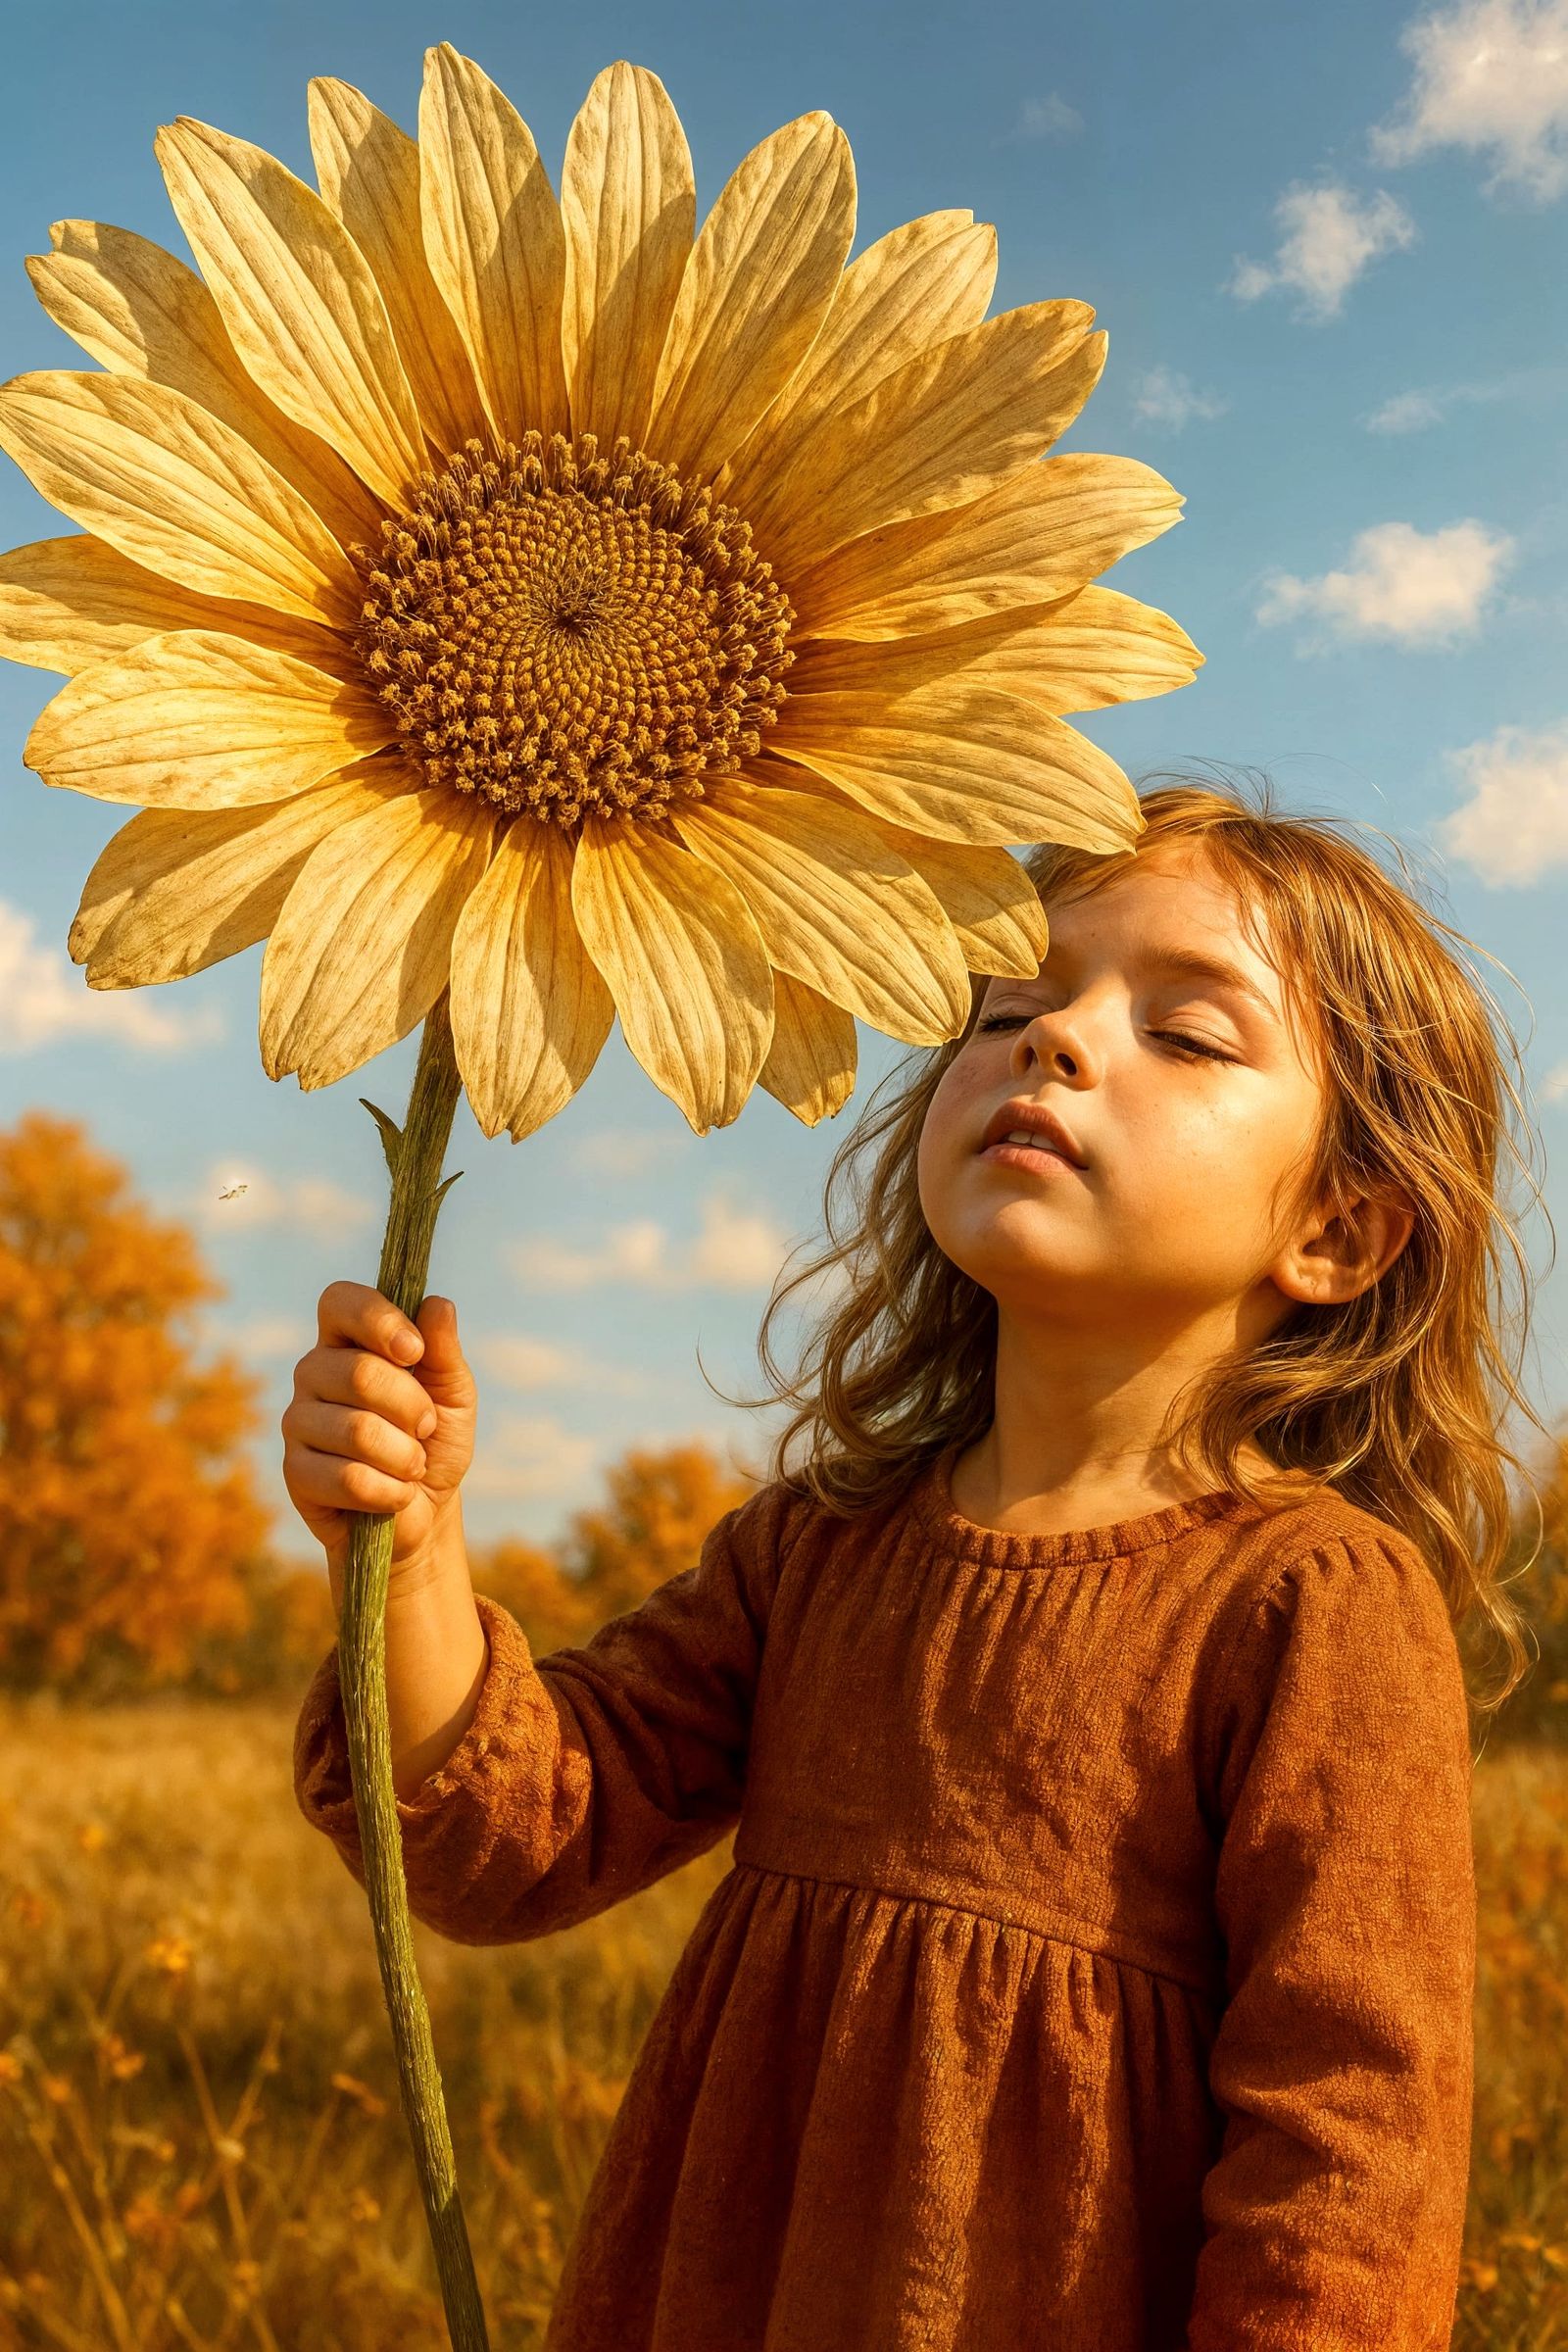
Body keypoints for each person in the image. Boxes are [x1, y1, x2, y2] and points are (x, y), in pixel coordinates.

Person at [286, 770, 1543, 2351]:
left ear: (1342, 1237)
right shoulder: (819, 1547)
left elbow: (1350, 2143)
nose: (1056, 1038)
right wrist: (407, 1542)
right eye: (1008, 1000)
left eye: (1190, 1032)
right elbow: (507, 1844)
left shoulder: (1308, 1600)